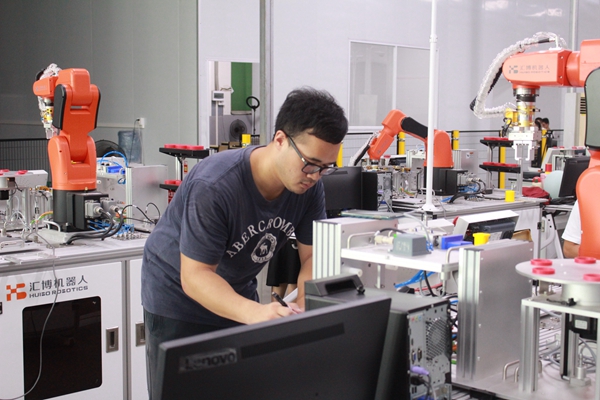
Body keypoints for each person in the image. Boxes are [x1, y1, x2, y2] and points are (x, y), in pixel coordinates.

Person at [141, 86, 348, 398]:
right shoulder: (216, 185)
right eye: (310, 163)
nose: (315, 176)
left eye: (326, 168)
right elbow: (195, 276)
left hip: (237, 289)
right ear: (280, 140)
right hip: (178, 298)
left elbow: (312, 256)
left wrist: (304, 307)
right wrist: (256, 313)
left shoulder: (309, 187)